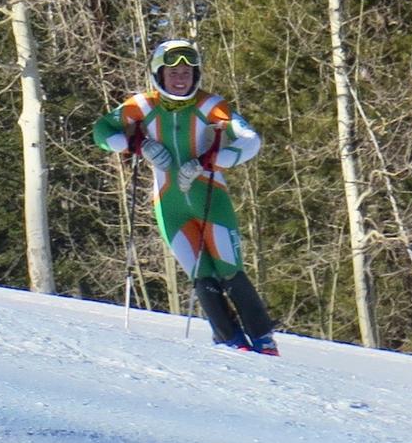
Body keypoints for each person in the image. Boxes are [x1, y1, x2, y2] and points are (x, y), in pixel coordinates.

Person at [93, 38, 275, 354]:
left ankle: (262, 338)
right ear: (159, 75)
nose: (180, 79)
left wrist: (212, 160)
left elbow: (250, 140)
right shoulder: (143, 105)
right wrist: (139, 146)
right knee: (200, 272)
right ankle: (229, 340)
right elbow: (101, 131)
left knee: (228, 269)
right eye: (173, 73)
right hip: (169, 205)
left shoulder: (210, 105)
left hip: (211, 199)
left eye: (187, 73)